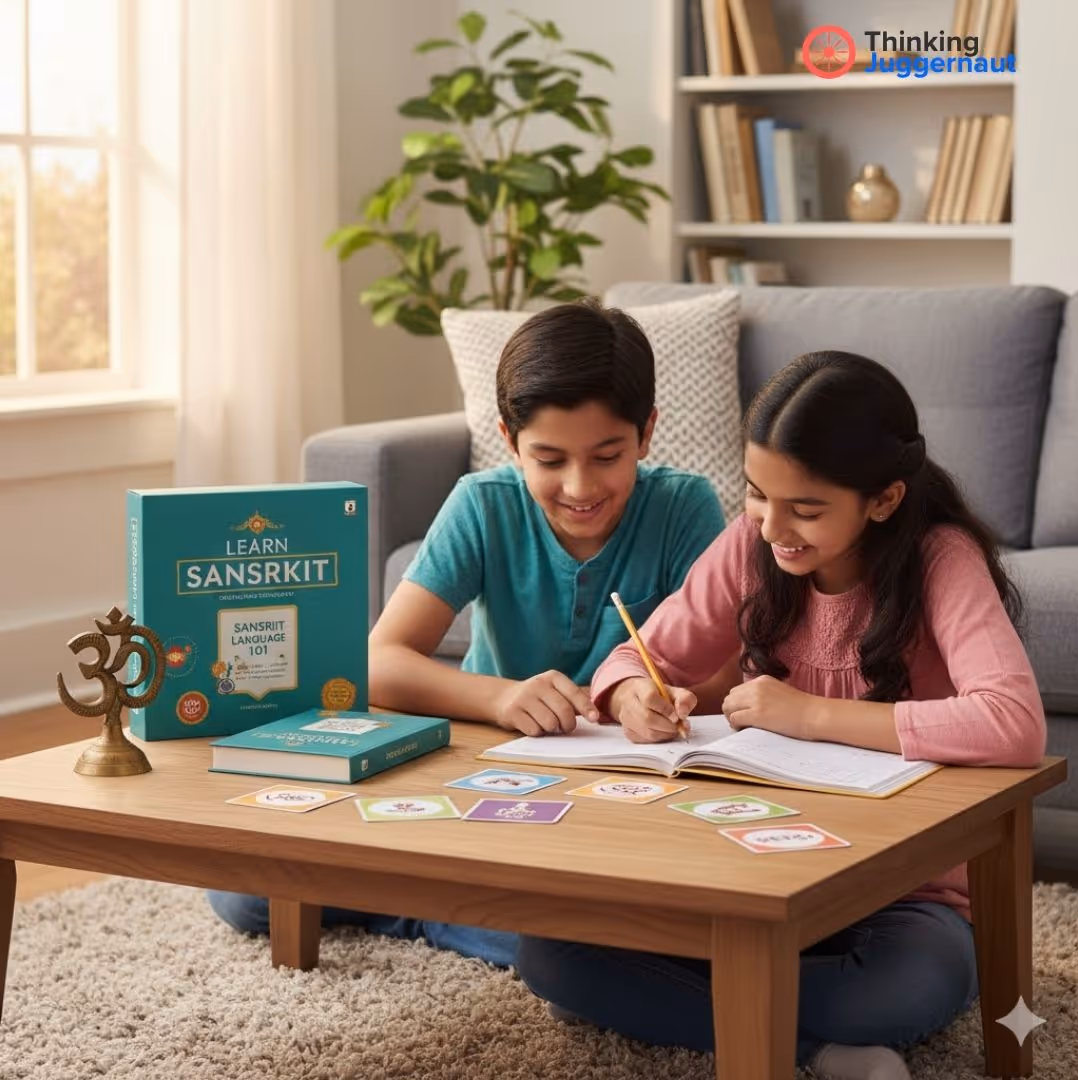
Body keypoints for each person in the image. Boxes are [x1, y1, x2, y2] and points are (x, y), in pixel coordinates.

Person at [515, 350, 1047, 1080]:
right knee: (551, 952)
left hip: (907, 897)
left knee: (894, 993)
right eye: (758, 495)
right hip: (759, 873)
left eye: (806, 508)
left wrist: (809, 714)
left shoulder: (938, 558)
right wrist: (633, 697)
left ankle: (662, 1004)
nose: (772, 527)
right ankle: (821, 1054)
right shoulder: (751, 544)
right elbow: (634, 657)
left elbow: (1013, 721)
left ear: (883, 499)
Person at [207, 299, 730, 969]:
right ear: (510, 443)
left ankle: (435, 910)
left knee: (593, 939)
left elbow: (723, 676)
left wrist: (650, 698)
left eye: (608, 456)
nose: (580, 486)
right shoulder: (483, 503)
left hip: (625, 797)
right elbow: (377, 663)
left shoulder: (684, 507)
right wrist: (499, 700)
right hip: (492, 781)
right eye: (549, 459)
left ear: (647, 433)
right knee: (247, 897)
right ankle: (443, 911)